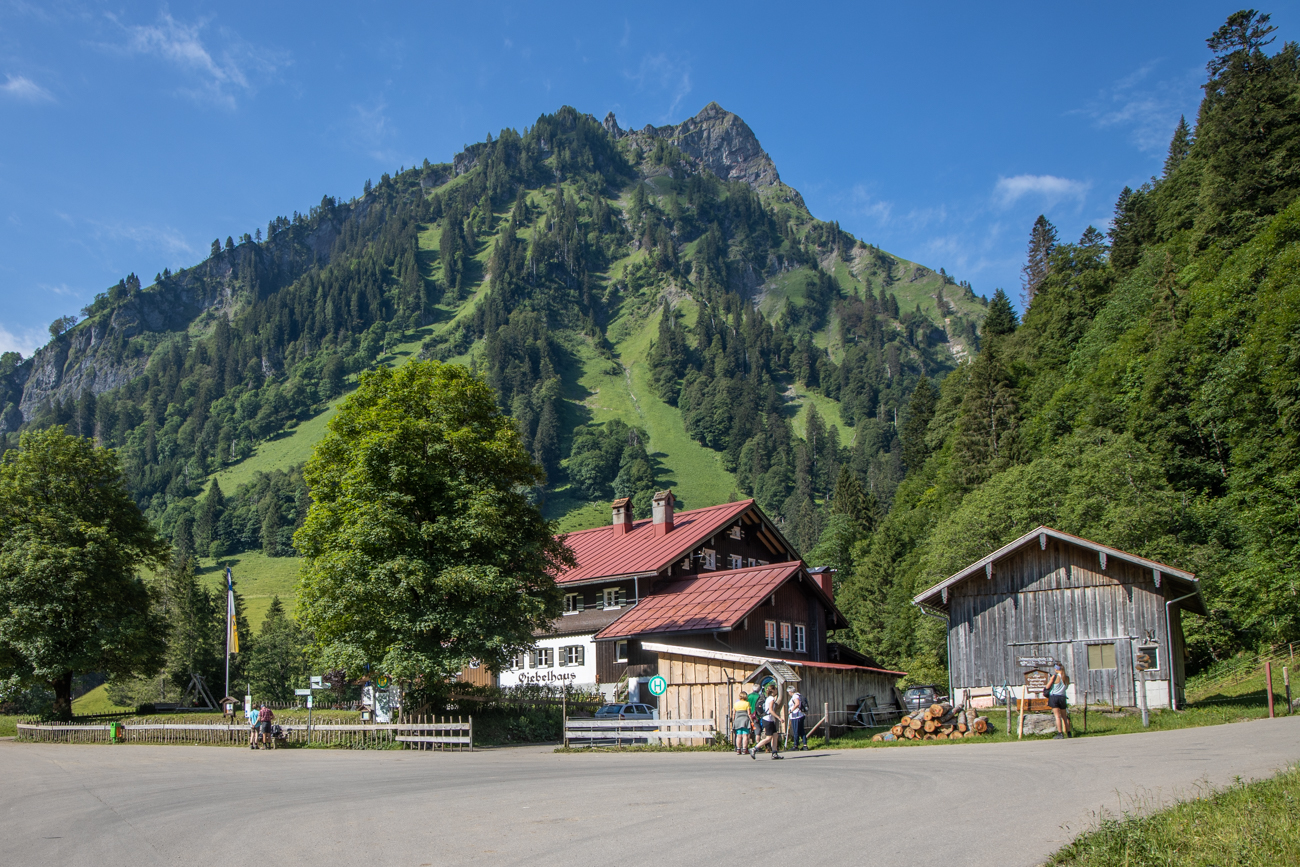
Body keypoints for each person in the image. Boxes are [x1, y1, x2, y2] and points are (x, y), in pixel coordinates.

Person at [749, 685, 784, 760]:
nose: (777, 691)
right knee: (768, 738)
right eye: (776, 689)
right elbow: (770, 710)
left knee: (775, 735)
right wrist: (779, 718)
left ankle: (774, 753)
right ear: (773, 690)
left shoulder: (768, 698)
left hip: (769, 719)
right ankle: (754, 748)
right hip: (768, 719)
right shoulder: (771, 699)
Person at [1045, 663, 1071, 739]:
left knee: (1057, 716)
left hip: (1054, 696)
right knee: (1064, 716)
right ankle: (1069, 732)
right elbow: (1066, 687)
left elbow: (1047, 686)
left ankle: (1060, 733)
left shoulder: (1055, 677)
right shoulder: (1066, 678)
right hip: (1062, 697)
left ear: (1056, 669)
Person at [733, 688, 753, 755]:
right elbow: (749, 713)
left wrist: (733, 721)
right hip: (745, 720)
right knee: (745, 735)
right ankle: (744, 749)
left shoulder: (736, 704)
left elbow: (734, 713)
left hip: (737, 720)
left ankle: (738, 749)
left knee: (738, 736)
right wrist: (751, 721)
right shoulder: (747, 703)